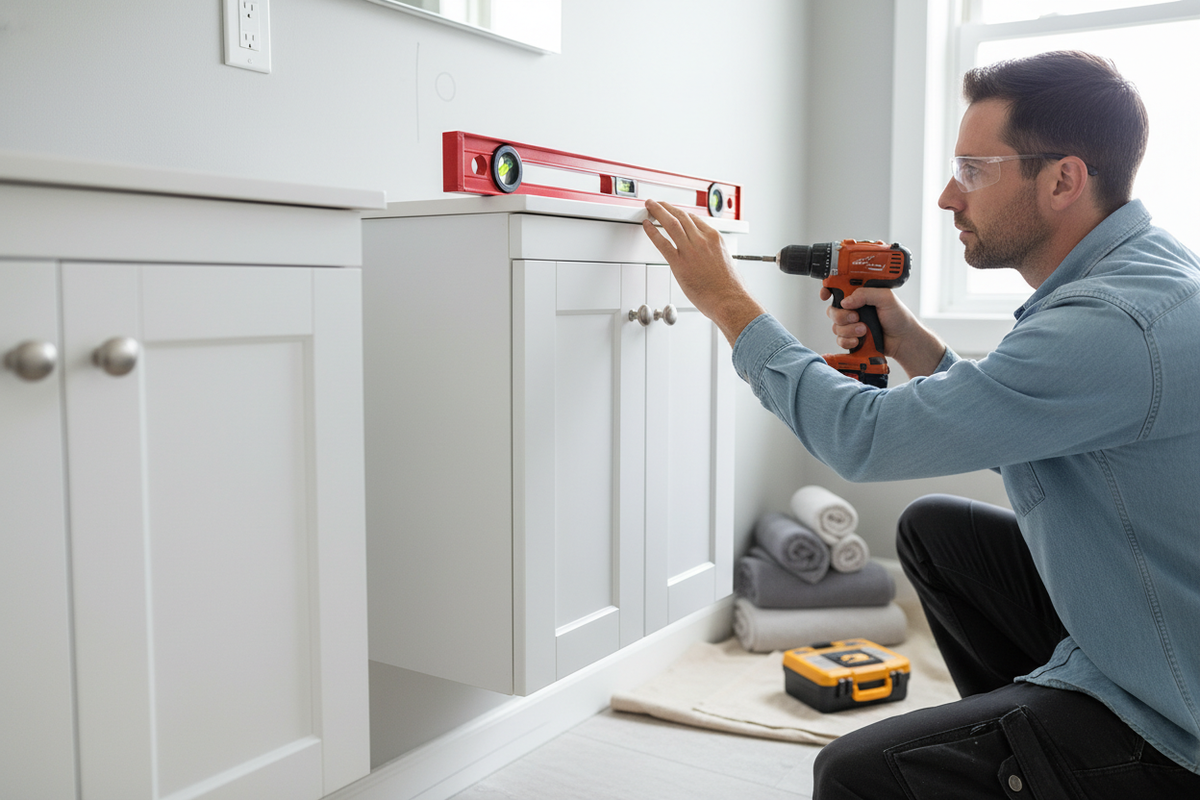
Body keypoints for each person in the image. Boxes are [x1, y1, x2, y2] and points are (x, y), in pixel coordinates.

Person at [642, 50, 1200, 798]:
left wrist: (727, 303)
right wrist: (913, 346)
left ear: (1064, 180)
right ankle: (1027, 749)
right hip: (1154, 624)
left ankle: (1081, 764)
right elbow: (1026, 425)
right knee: (937, 533)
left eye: (973, 170)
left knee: (853, 775)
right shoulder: (1147, 274)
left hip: (1172, 715)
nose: (947, 196)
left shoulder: (1110, 326)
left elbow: (863, 438)